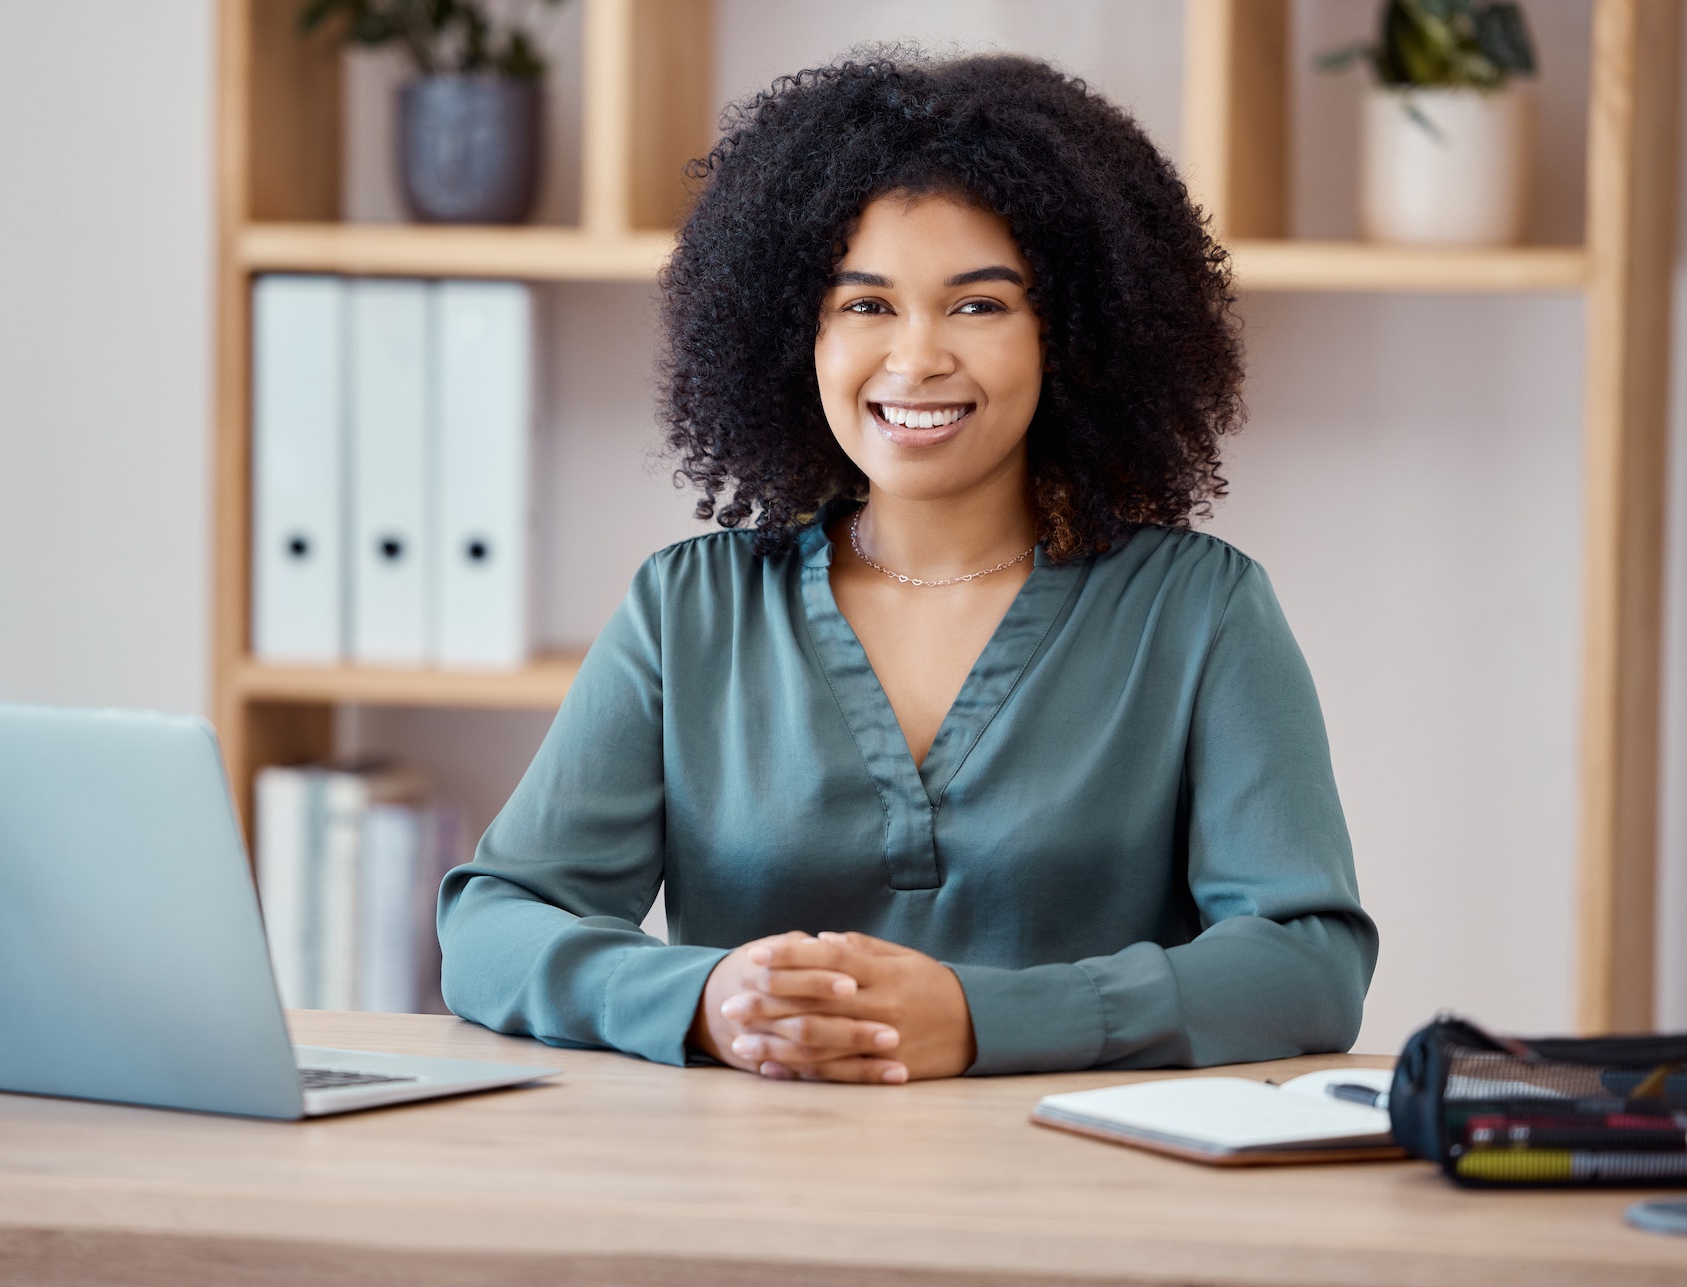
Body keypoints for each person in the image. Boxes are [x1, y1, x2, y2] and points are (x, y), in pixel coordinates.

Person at [437, 52, 1377, 1084]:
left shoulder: (1198, 613)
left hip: (1086, 1194)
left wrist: (984, 1018)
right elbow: (492, 925)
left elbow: (1306, 967)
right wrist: (699, 1001)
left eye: (977, 307)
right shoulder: (687, 608)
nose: (915, 358)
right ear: (793, 329)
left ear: (1069, 337)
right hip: (739, 1193)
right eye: (863, 306)